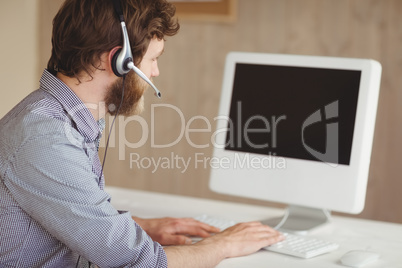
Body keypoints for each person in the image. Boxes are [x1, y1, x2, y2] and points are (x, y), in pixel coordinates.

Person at [0, 0, 283, 267]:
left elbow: (65, 214)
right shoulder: (46, 138)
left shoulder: (57, 117)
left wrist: (140, 227)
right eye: (153, 59)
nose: (155, 72)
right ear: (118, 61)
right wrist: (224, 245)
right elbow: (139, 263)